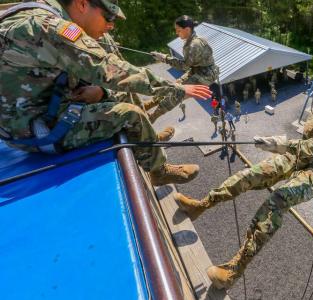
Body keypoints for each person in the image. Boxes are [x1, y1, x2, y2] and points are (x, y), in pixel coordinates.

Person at [174, 64, 313, 289]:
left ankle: (233, 270)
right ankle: (201, 206)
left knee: (276, 201)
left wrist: (279, 144)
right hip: (298, 157)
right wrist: (278, 144)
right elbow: (305, 139)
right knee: (250, 175)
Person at [0, 0, 211, 187]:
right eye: (107, 16)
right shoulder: (50, 28)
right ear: (82, 4)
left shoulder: (42, 11)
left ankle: (149, 138)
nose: (111, 24)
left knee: (108, 73)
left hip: (37, 105)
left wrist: (101, 90)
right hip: (33, 128)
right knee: (130, 114)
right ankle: (159, 170)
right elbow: (109, 69)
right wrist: (177, 87)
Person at [149, 15, 219, 122]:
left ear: (187, 29)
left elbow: (184, 66)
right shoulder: (192, 40)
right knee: (175, 85)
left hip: (205, 75)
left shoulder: (194, 45)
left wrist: (164, 58)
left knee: (176, 94)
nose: (177, 33)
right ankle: (151, 104)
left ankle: (152, 117)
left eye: (178, 30)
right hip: (198, 70)